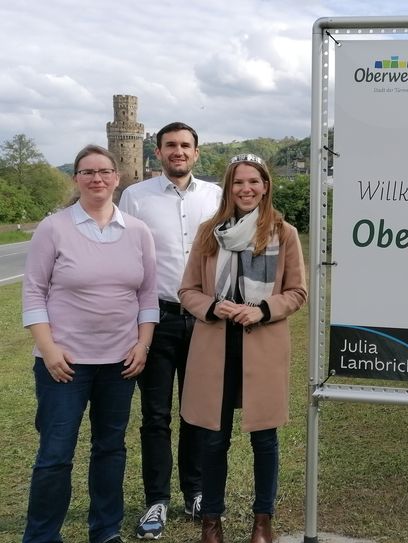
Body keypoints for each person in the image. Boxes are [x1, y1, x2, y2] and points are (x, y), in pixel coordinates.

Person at [21, 145, 158, 543]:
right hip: (64, 364)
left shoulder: (137, 231)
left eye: (104, 171)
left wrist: (142, 345)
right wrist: (48, 349)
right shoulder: (54, 227)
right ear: (76, 178)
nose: (96, 178)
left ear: (117, 178)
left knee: (110, 450)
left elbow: (148, 296)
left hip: (120, 363)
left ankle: (105, 530)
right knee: (55, 456)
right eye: (87, 172)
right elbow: (33, 293)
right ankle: (42, 536)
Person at [178, 153, 307, 543]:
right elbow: (187, 291)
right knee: (214, 438)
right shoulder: (208, 232)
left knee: (264, 439)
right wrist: (213, 306)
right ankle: (211, 521)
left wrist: (264, 309)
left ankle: (262, 521)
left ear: (266, 185)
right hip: (215, 346)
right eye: (238, 182)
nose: (246, 189)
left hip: (262, 346)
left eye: (254, 181)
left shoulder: (284, 233)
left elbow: (297, 292)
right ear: (228, 188)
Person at [119, 122, 222, 538]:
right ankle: (156, 501)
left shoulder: (216, 196)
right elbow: (123, 258)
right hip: (156, 320)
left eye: (185, 145)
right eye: (170, 146)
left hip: (205, 321)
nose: (178, 152)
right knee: (155, 415)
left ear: (197, 152)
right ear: (157, 152)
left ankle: (195, 492)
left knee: (198, 412)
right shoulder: (135, 198)